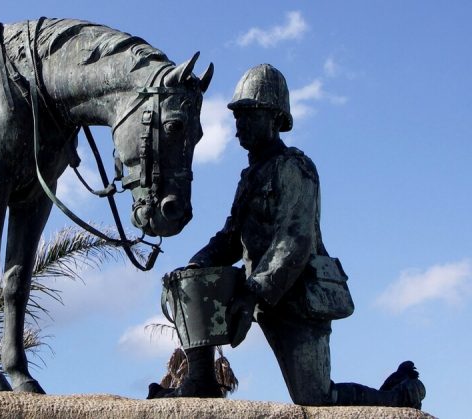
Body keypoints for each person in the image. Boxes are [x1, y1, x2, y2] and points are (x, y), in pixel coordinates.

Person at [149, 64, 425, 408]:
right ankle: (200, 380)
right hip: (256, 294)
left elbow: (293, 243)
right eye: (237, 118)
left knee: (315, 397)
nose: (239, 129)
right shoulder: (250, 176)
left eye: (249, 116)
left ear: (276, 118)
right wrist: (198, 264)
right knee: (185, 284)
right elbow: (232, 237)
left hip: (297, 298)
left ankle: (397, 396)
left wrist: (250, 295)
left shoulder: (296, 168)